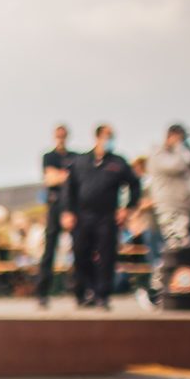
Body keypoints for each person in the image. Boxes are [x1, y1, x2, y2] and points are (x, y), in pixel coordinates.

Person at [62, 124, 143, 309]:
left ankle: (102, 295)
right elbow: (69, 188)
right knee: (80, 253)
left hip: (107, 216)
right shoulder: (80, 161)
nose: (109, 140)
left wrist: (127, 208)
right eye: (106, 136)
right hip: (82, 216)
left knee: (107, 256)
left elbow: (135, 185)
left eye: (111, 136)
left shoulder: (118, 162)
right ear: (97, 137)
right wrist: (68, 212)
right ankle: (84, 292)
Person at [144, 123, 190, 299]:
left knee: (181, 248)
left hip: (185, 209)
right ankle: (155, 290)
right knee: (173, 247)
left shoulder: (183, 154)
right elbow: (175, 166)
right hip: (169, 208)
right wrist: (179, 147)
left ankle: (169, 287)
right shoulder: (158, 153)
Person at [36, 124, 75, 307]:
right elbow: (50, 178)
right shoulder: (49, 156)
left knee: (80, 249)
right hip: (54, 206)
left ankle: (81, 291)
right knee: (49, 250)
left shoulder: (74, 156)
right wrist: (64, 176)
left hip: (72, 206)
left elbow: (71, 178)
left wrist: (60, 176)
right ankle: (42, 292)